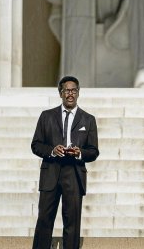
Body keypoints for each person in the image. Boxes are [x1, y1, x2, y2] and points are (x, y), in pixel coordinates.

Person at [30, 76, 100, 249]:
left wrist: (80, 153)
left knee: (72, 222)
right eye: (67, 90)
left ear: (78, 93)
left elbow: (93, 151)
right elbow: (36, 144)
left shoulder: (88, 119)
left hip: (74, 174)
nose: (71, 94)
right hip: (51, 172)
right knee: (45, 219)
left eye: (74, 90)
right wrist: (52, 150)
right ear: (60, 93)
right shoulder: (46, 116)